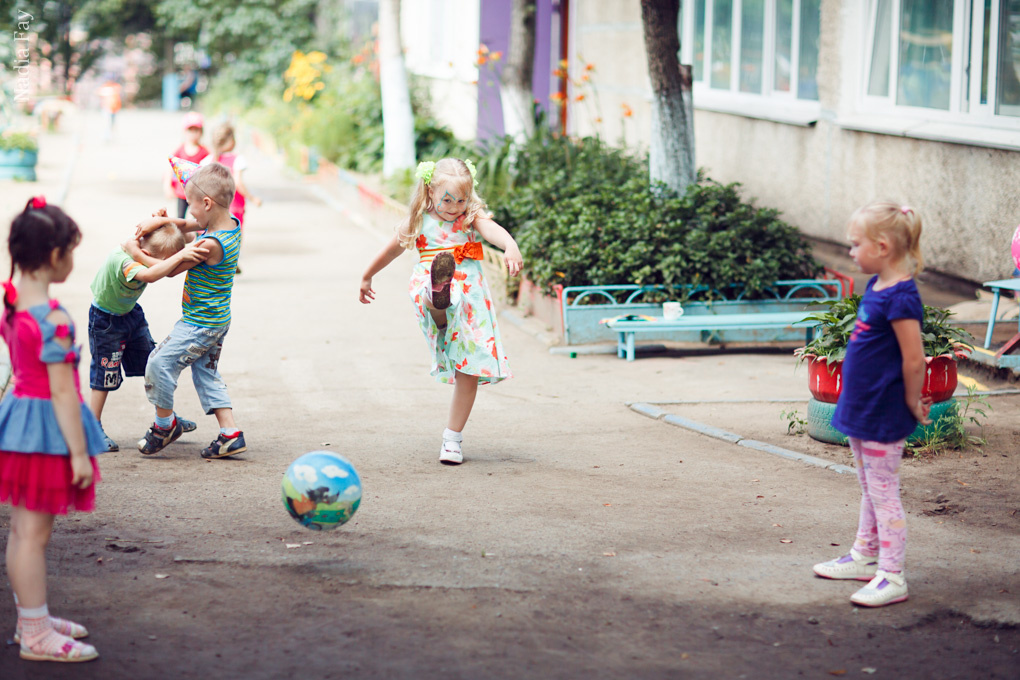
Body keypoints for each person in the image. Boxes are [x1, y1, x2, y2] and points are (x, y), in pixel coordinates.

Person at [359, 158, 522, 465]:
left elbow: (491, 229)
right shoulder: (419, 220)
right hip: (430, 281)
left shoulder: (471, 216)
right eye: (447, 199)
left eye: (461, 199)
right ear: (430, 191)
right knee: (443, 296)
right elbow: (392, 249)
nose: (454, 206)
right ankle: (439, 299)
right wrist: (368, 275)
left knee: (469, 368)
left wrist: (510, 245)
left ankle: (452, 441)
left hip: (471, 298)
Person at [0, 197, 106, 662]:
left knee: (22, 533)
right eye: (71, 251)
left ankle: (32, 621)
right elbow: (64, 394)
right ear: (54, 257)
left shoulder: (12, 300)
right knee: (33, 535)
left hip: (17, 422)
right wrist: (79, 453)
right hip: (45, 431)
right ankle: (37, 635)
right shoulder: (54, 321)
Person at [813, 200, 931, 607]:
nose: (849, 252)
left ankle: (893, 575)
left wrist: (913, 402)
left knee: (883, 491)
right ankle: (865, 555)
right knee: (869, 485)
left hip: (883, 411)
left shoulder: (901, 297)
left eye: (854, 244)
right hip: (861, 406)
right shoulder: (876, 286)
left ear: (882, 247)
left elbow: (914, 358)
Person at [137, 162, 247, 459]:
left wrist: (136, 254)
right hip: (217, 319)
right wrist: (161, 223)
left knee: (158, 364)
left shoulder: (210, 244)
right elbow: (186, 227)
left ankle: (164, 426)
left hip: (199, 323)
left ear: (207, 203)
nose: (189, 212)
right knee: (206, 373)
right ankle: (230, 434)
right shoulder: (229, 223)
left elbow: (169, 269)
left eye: (190, 205)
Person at [87, 214, 210, 451]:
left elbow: (179, 229)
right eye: (165, 261)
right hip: (106, 322)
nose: (169, 265)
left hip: (131, 315)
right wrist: (180, 256)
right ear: (151, 256)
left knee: (152, 363)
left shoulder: (143, 247)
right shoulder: (124, 260)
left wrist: (163, 220)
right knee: (105, 375)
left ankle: (167, 420)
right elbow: (152, 275)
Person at [202, 122, 261, 274]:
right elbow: (238, 183)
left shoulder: (207, 160)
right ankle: (231, 261)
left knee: (213, 232)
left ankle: (213, 260)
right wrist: (252, 198)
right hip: (234, 205)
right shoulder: (237, 160)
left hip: (212, 206)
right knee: (234, 234)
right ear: (230, 140)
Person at [164, 112, 209, 219]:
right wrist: (167, 186)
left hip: (198, 193)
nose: (193, 133)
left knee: (198, 219)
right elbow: (170, 168)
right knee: (180, 218)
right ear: (185, 131)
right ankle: (180, 236)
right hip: (182, 192)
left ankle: (196, 236)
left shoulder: (205, 152)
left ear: (201, 132)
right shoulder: (180, 150)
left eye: (196, 130)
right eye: (190, 130)